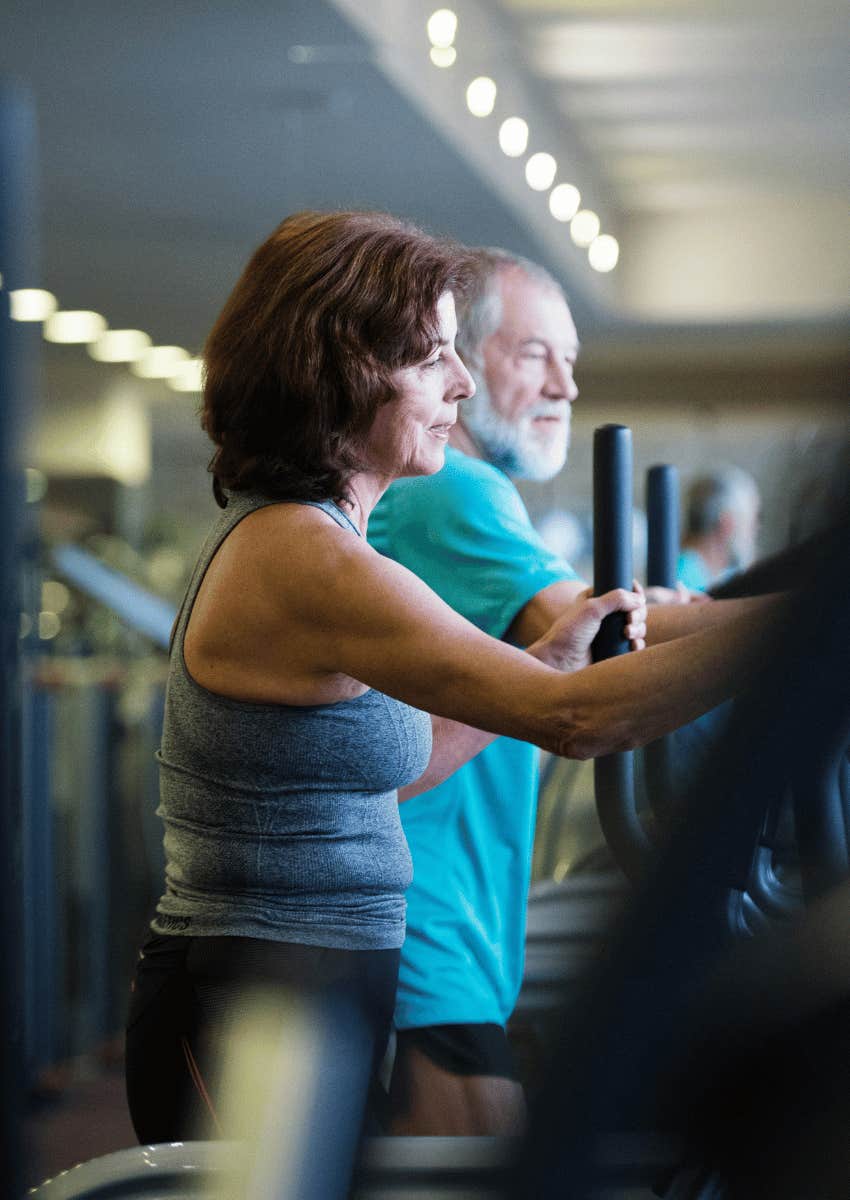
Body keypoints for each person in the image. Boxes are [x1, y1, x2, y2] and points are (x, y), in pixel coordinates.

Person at [124, 213, 784, 1145]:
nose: (462, 383)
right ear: (346, 369)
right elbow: (574, 722)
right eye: (434, 357)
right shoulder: (302, 553)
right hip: (249, 1004)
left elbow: (395, 770)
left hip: (313, 991)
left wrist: (540, 662)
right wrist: (799, 630)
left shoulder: (325, 537)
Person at [366, 248, 758, 1134]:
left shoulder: (466, 493)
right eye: (536, 353)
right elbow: (606, 648)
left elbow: (593, 624)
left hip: (451, 914)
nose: (565, 386)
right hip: (422, 918)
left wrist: (656, 612)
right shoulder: (452, 489)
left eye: (570, 360)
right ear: (461, 361)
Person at [677, 467, 761, 592]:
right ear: (727, 524)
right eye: (751, 521)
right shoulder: (682, 578)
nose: (756, 529)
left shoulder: (728, 572)